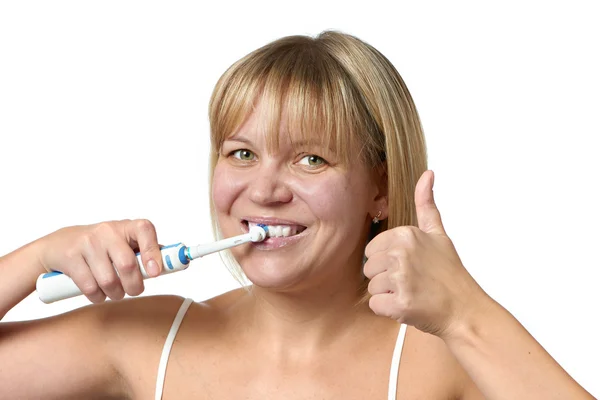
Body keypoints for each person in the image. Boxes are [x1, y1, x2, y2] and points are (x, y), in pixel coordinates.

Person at [0, 31, 594, 400]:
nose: (264, 190)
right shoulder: (146, 340)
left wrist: (466, 312)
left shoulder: (442, 359)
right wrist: (37, 256)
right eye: (241, 153)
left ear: (380, 189)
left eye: (311, 158)